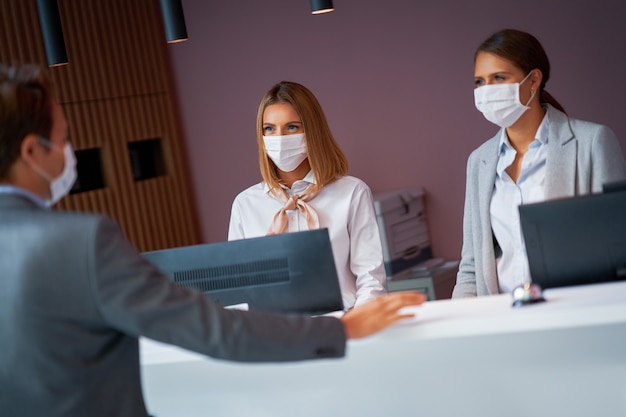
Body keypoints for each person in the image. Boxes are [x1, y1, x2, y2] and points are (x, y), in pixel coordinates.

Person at [0, 63, 426, 417]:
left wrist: (349, 324)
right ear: (32, 153)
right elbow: (214, 323)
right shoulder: (83, 241)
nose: (70, 152)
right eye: (62, 139)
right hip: (281, 346)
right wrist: (340, 333)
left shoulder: (351, 192)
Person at [452, 29, 626, 298]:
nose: (486, 91)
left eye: (499, 77)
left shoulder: (592, 142)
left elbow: (619, 250)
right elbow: (471, 268)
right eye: (479, 82)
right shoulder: (479, 162)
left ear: (533, 80)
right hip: (502, 319)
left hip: (575, 313)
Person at [228, 81, 387, 309]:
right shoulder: (245, 205)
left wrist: (355, 325)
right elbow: (239, 290)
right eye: (269, 129)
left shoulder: (352, 192)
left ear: (312, 131)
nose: (279, 137)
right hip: (277, 333)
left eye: (292, 127)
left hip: (344, 326)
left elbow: (371, 278)